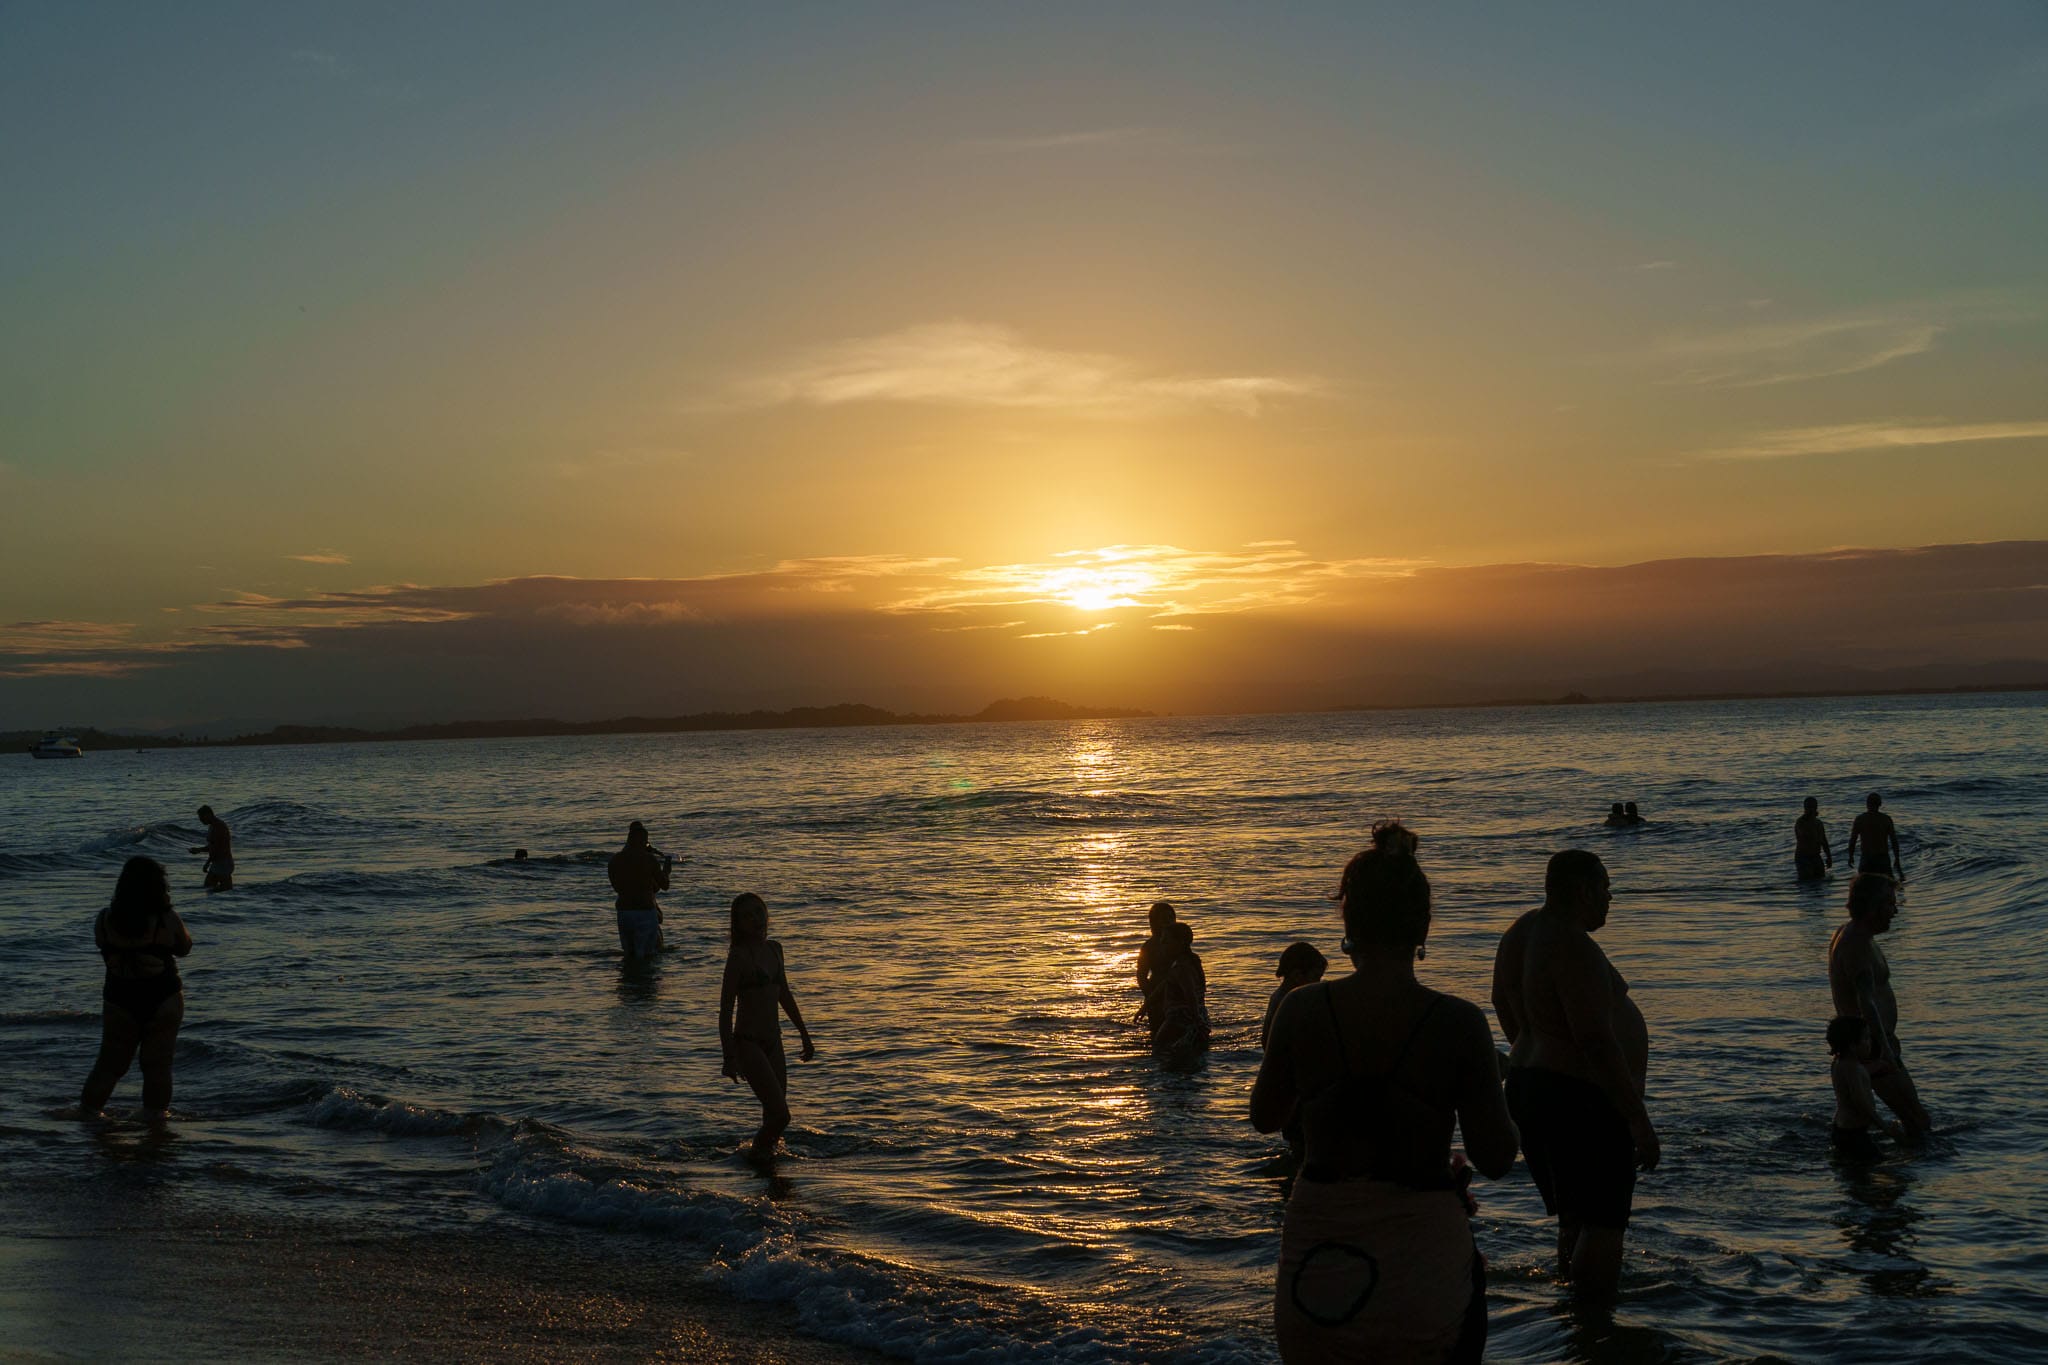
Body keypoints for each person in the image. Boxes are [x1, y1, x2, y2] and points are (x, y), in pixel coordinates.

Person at [1253, 823, 1517, 1363]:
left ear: (1347, 919)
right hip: (1422, 1270)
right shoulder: (1459, 1023)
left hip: (1317, 1268)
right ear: (1423, 924)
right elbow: (1495, 1158)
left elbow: (1265, 1115)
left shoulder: (1300, 1009)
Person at [1491, 850, 1658, 1305]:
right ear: (1583, 890)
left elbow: (1503, 1003)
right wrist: (1638, 1120)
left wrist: (1534, 1048)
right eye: (1605, 888)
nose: (1610, 898)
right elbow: (1596, 1042)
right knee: (1603, 1220)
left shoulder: (1520, 933)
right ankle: (1595, 1327)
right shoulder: (1573, 946)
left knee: (1575, 1216)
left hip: (1532, 1086)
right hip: (1578, 1096)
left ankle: (1572, 1316)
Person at [79, 857, 193, 1121]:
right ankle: (154, 1119)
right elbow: (185, 948)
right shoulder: (166, 918)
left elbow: (102, 946)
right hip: (163, 996)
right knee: (158, 1065)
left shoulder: (105, 919)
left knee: (109, 1065)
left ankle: (89, 1116)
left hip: (120, 997)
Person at [1828, 874, 1930, 1140]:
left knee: (1910, 1118)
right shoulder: (1857, 944)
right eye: (1890, 904)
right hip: (1872, 1045)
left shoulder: (1852, 934)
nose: (1895, 911)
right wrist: (1884, 1049)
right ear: (1873, 906)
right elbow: (1867, 1002)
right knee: (1916, 1120)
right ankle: (1905, 1178)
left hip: (1872, 1042)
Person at [719, 893, 816, 1163]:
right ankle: (751, 1158)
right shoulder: (738, 957)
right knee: (781, 1115)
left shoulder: (775, 949)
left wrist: (804, 1034)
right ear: (737, 924)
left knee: (772, 1114)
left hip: (774, 1042)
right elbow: (726, 1011)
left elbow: (784, 994)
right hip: (748, 1044)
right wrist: (729, 1056)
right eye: (749, 915)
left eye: (760, 912)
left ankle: (767, 1172)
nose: (757, 919)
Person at [1827, 1015, 1901, 1161]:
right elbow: (1862, 1104)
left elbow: (1855, 1077)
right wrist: (1886, 1128)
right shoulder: (1854, 1069)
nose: (1870, 1043)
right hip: (1854, 1135)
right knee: (1884, 1168)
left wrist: (1879, 1066)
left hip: (1841, 1129)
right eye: (1866, 1038)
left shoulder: (1839, 1063)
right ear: (1852, 1045)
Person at [606, 820, 670, 959]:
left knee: (629, 955)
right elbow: (664, 885)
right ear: (643, 841)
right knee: (648, 956)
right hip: (645, 911)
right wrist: (666, 871)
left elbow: (617, 888)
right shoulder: (649, 859)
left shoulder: (615, 860)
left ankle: (629, 980)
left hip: (624, 912)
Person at [1153, 922, 1211, 1057]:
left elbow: (1190, 993)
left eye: (1166, 941)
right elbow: (1165, 984)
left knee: (1160, 1050)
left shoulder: (1182, 968)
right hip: (1198, 1015)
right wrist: (1146, 1005)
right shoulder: (1192, 960)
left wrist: (1196, 1020)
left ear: (1181, 943)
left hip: (1180, 1019)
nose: (1162, 944)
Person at [1263, 941, 1328, 1050]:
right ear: (1297, 975)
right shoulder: (1289, 1001)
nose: (1318, 983)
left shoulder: (1279, 996)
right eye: (1316, 977)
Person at [1134, 900, 1178, 1027]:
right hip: (1156, 991)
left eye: (1171, 918)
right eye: (1164, 919)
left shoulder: (1178, 943)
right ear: (1154, 922)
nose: (1169, 921)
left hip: (1176, 990)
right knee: (1158, 1028)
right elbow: (1141, 975)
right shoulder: (1148, 947)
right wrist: (1150, 995)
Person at [1847, 793, 1904, 880]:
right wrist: (1897, 858)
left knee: (1864, 888)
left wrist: (1850, 856)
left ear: (1867, 804)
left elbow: (1853, 840)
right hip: (1882, 858)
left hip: (1866, 858)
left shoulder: (1860, 819)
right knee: (1887, 888)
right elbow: (1894, 841)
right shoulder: (1886, 819)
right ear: (1880, 804)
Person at [189, 804, 233, 890]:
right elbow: (212, 846)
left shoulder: (218, 826)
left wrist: (207, 863)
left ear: (208, 815)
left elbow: (217, 848)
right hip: (219, 862)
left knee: (216, 889)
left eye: (201, 818)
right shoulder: (213, 826)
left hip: (223, 863)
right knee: (217, 889)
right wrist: (199, 850)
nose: (201, 821)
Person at [1795, 797, 1833, 880]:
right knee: (1807, 881)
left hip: (1816, 856)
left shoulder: (1819, 823)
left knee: (1820, 879)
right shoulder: (1800, 822)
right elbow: (1806, 836)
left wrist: (1829, 857)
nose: (1809, 809)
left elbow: (1824, 841)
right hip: (1803, 857)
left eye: (1811, 807)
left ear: (1815, 807)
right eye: (1807, 807)